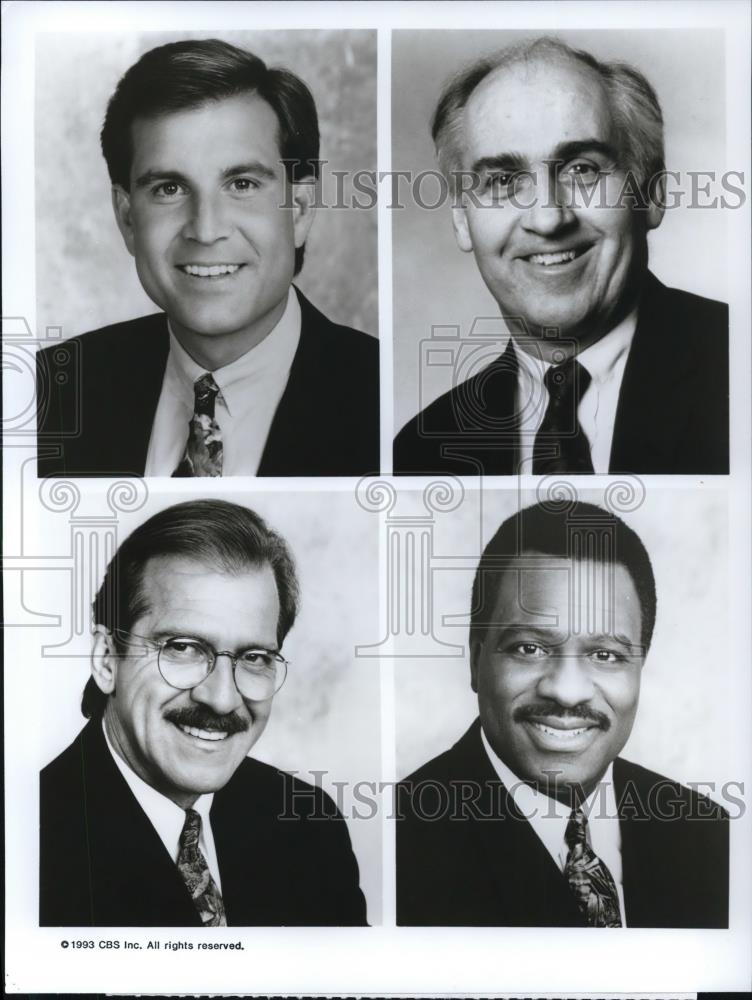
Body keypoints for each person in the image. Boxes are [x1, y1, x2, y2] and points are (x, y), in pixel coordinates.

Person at [37, 39, 379, 478]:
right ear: (127, 218)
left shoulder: (378, 400)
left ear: (300, 208)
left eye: (241, 185)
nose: (205, 229)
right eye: (169, 189)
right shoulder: (46, 394)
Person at [394, 38, 728, 475]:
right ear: (461, 218)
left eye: (582, 169)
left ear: (651, 194)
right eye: (503, 180)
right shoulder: (419, 452)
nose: (549, 219)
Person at [396, 501, 729, 927]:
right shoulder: (402, 842)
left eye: (605, 654)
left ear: (640, 667)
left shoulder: (712, 838)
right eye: (529, 648)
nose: (567, 691)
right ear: (476, 662)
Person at [40, 499, 367, 926]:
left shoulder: (308, 825)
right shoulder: (31, 840)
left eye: (254, 657)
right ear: (107, 659)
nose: (222, 698)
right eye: (183, 648)